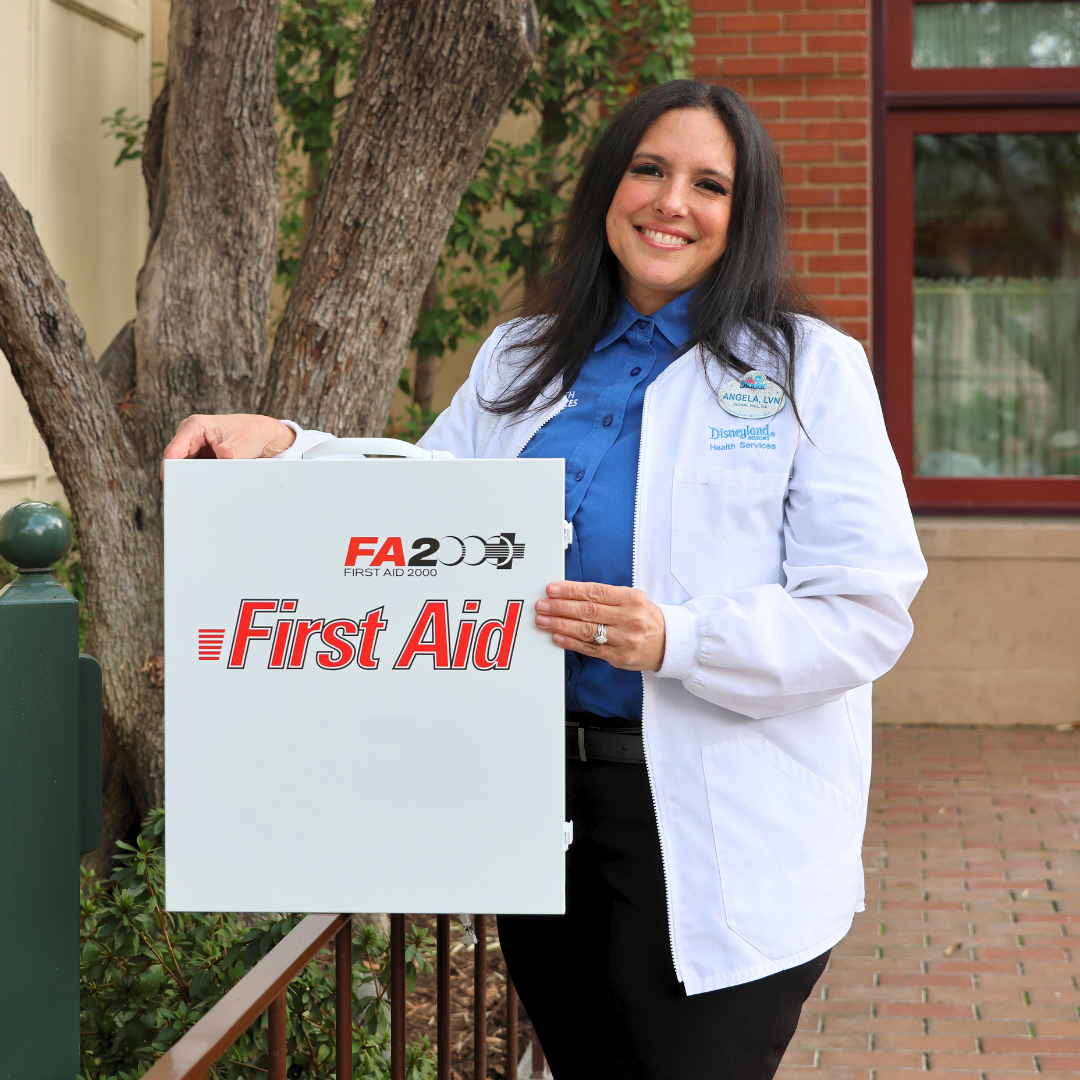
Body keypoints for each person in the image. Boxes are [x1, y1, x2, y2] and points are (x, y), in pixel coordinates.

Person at [163, 81, 926, 1079]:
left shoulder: (807, 371)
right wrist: (292, 449)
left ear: (746, 217)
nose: (671, 202)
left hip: (714, 815)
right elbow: (428, 515)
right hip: (535, 807)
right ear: (608, 187)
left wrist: (679, 639)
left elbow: (863, 610)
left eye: (710, 184)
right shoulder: (521, 357)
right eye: (648, 169)